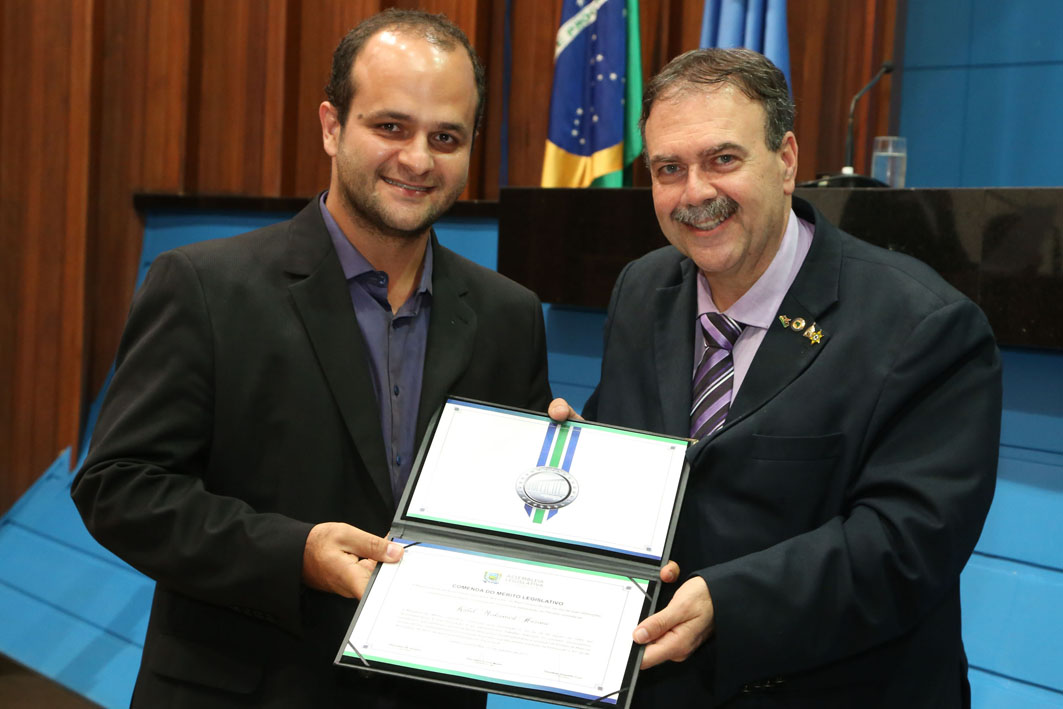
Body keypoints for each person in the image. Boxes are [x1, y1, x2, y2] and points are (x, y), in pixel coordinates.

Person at [72, 10, 551, 707]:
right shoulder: (205, 286)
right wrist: (293, 553)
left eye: (445, 137)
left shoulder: (510, 314)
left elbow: (509, 519)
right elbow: (118, 487)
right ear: (331, 126)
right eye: (391, 126)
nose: (419, 159)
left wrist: (559, 472)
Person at [550, 48, 1001, 707]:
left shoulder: (922, 324)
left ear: (785, 160)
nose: (694, 193)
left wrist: (729, 601)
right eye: (669, 169)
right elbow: (646, 451)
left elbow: (907, 543)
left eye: (721, 160)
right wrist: (579, 457)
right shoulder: (643, 288)